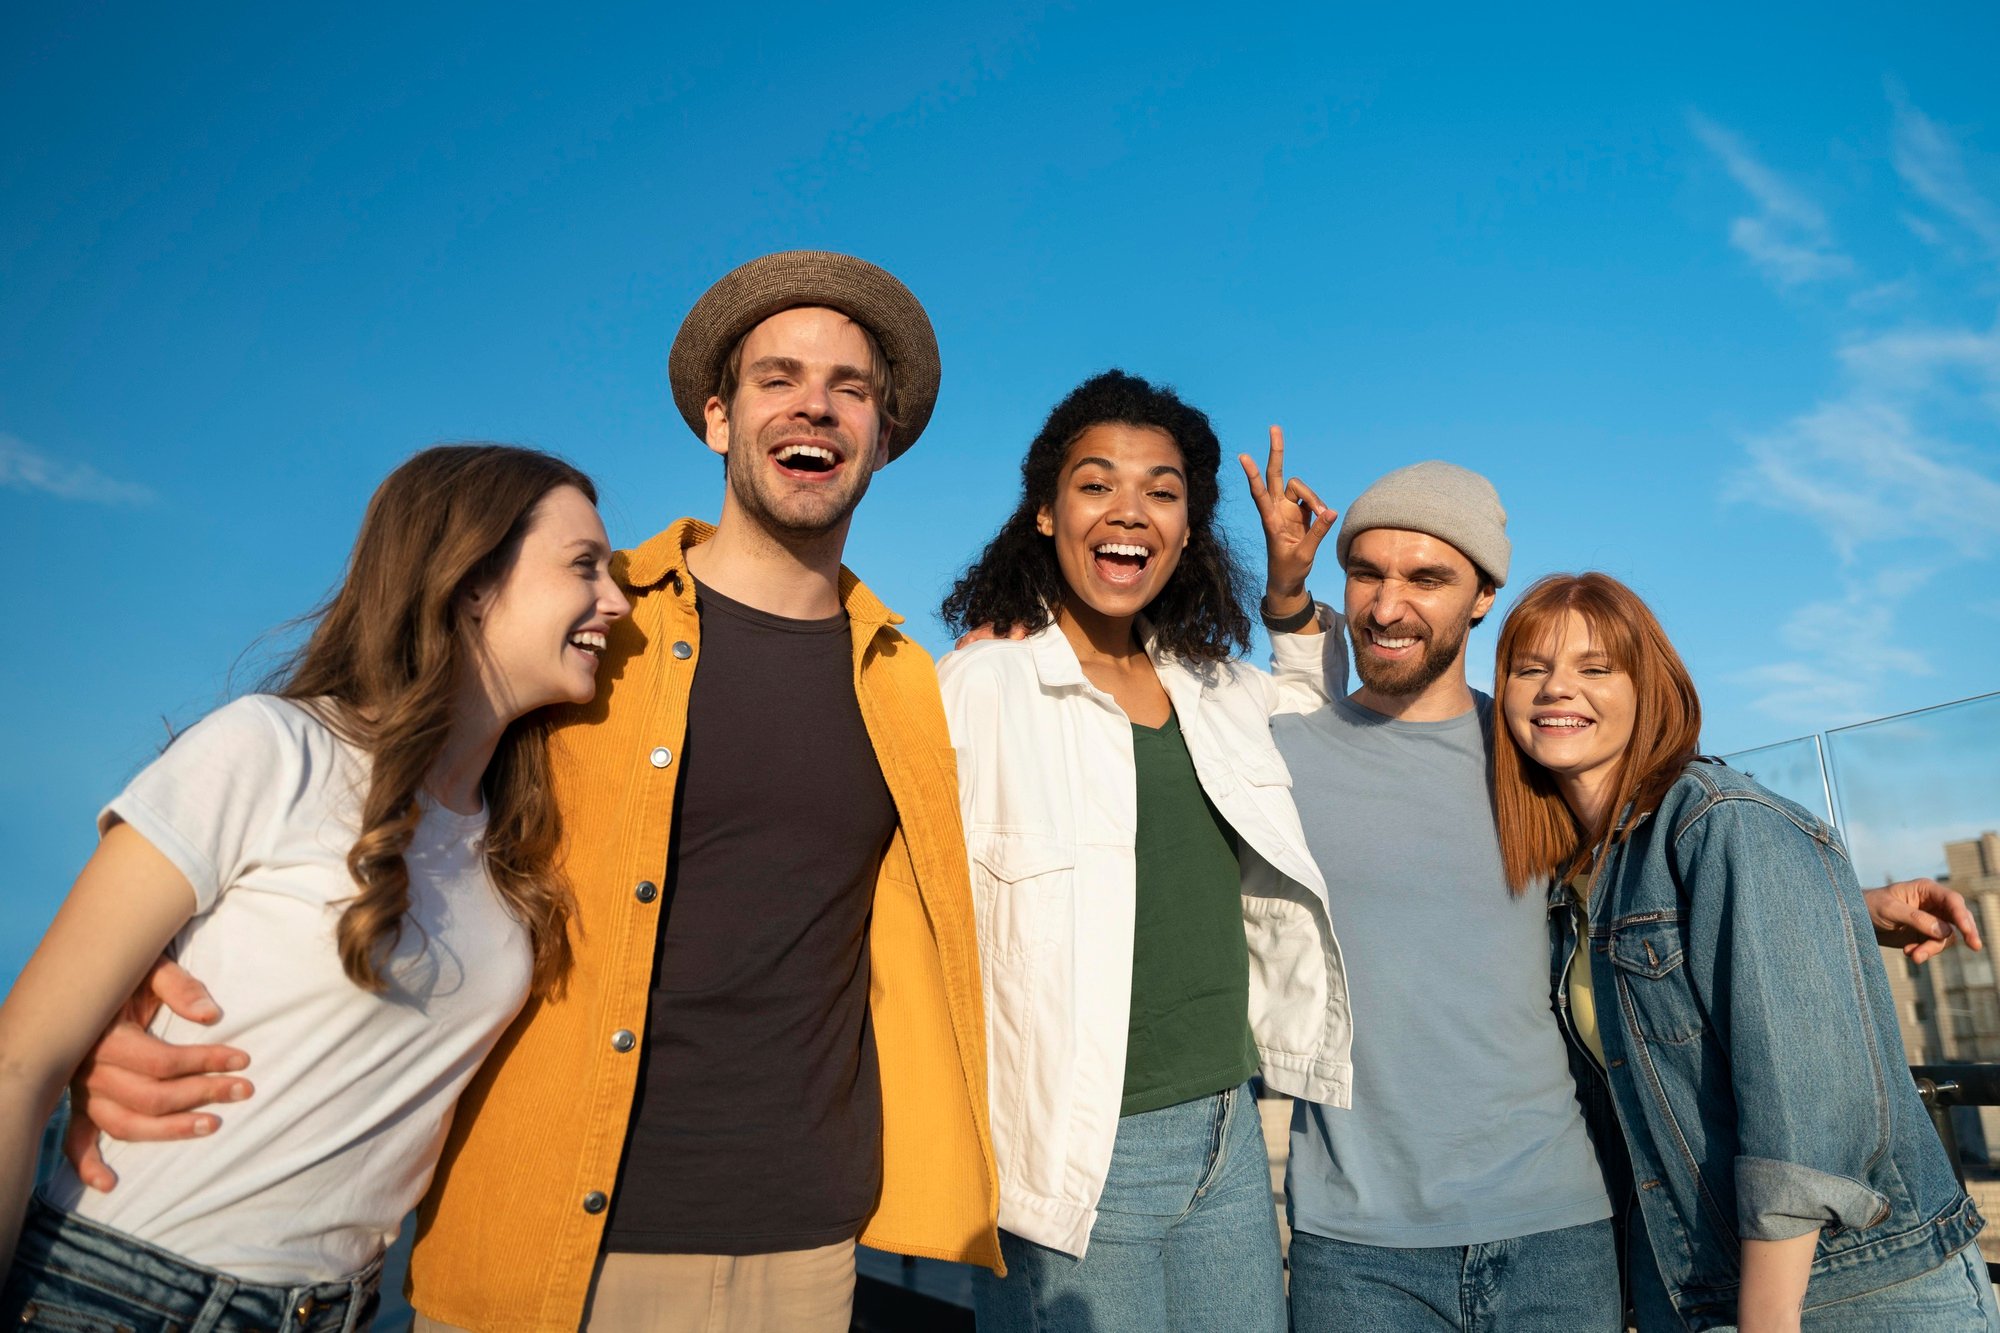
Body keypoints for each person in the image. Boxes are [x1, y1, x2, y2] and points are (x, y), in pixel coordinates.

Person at [61, 251, 1002, 1333]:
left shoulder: (907, 684)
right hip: (538, 1234)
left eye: (851, 388)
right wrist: (108, 1016)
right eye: (777, 376)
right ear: (716, 416)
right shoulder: (588, 627)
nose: (815, 407)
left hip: (800, 1246)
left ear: (883, 434)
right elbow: (350, 796)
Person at [1263, 463, 1985, 1332]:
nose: (1388, 603)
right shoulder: (1507, 800)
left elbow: (1720, 900)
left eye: (1426, 576)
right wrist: (1855, 906)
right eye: (1368, 573)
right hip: (1479, 1254)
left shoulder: (1624, 788)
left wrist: (1826, 896)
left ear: (1483, 594)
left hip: (1705, 1260)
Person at [0, 445, 631, 1329]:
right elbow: (20, 1062)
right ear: (470, 582)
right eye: (583, 566)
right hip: (115, 1290)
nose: (618, 600)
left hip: (331, 1312)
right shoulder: (269, 749)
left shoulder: (510, 850)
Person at [937, 371, 1351, 1332]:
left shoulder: (1213, 685)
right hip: (1075, 1148)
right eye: (1096, 484)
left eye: (1162, 491)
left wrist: (1289, 593)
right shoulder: (980, 683)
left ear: (1189, 527)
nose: (1130, 511)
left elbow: (1323, 724)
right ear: (1045, 513)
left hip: (1229, 1131)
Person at [1491, 572, 1998, 1333]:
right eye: (1531, 668)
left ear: (1649, 688)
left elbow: (1808, 1109)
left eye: (1594, 668)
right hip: (1690, 1287)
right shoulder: (1575, 876)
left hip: (1839, 1293)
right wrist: (1849, 910)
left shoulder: (1721, 820)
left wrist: (1764, 1319)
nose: (1557, 688)